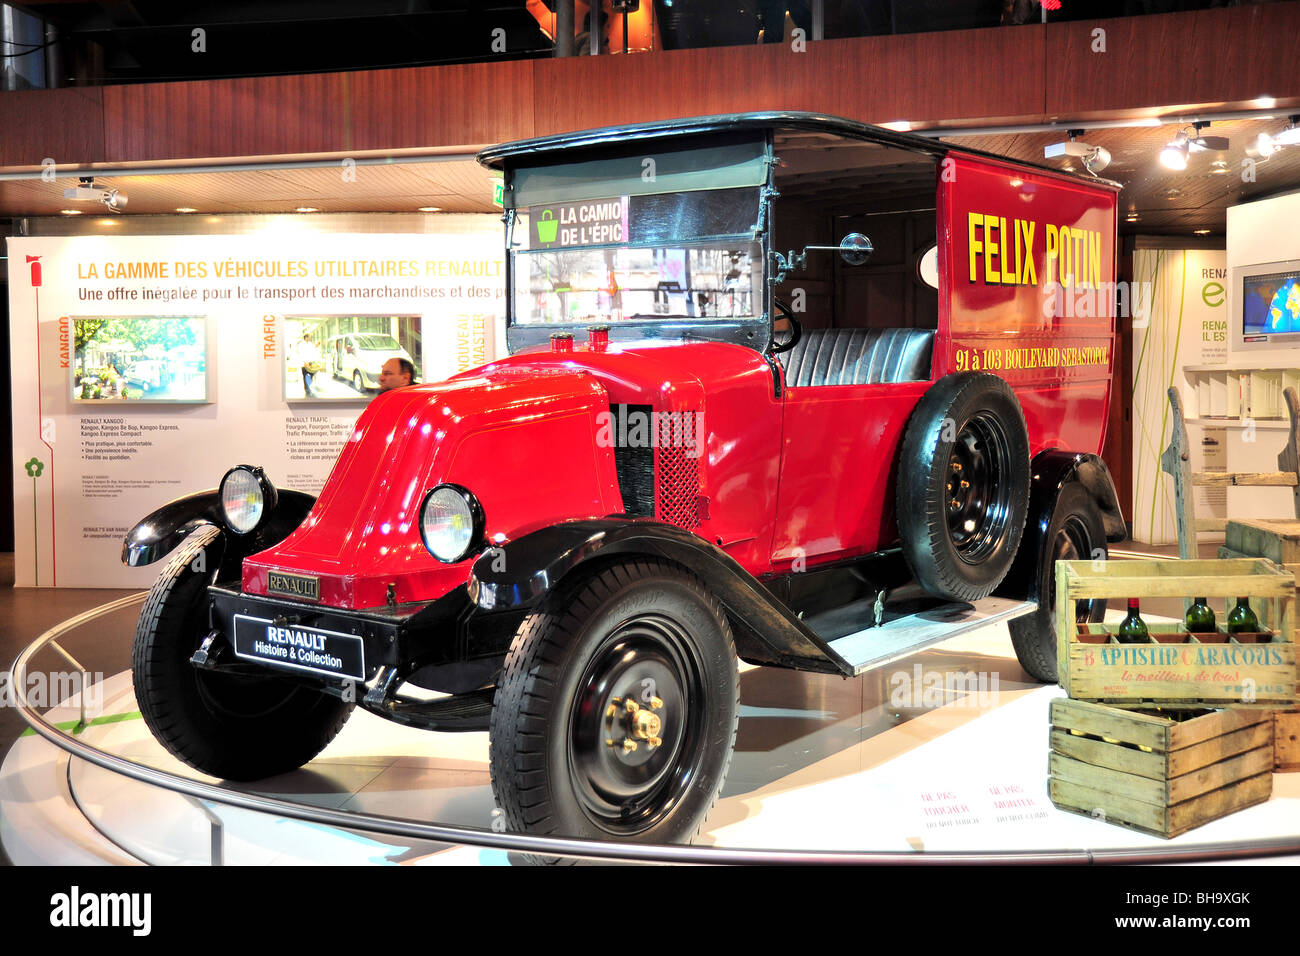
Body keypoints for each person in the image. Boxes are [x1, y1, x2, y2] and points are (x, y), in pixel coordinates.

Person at [295, 333, 322, 397]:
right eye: (309, 337)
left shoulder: (310, 344)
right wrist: (303, 361)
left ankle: (308, 386)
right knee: (305, 376)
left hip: (310, 362)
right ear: (306, 337)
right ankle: (307, 388)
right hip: (304, 363)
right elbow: (300, 353)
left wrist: (317, 345)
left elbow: (313, 349)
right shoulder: (301, 345)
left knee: (311, 374)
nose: (310, 338)